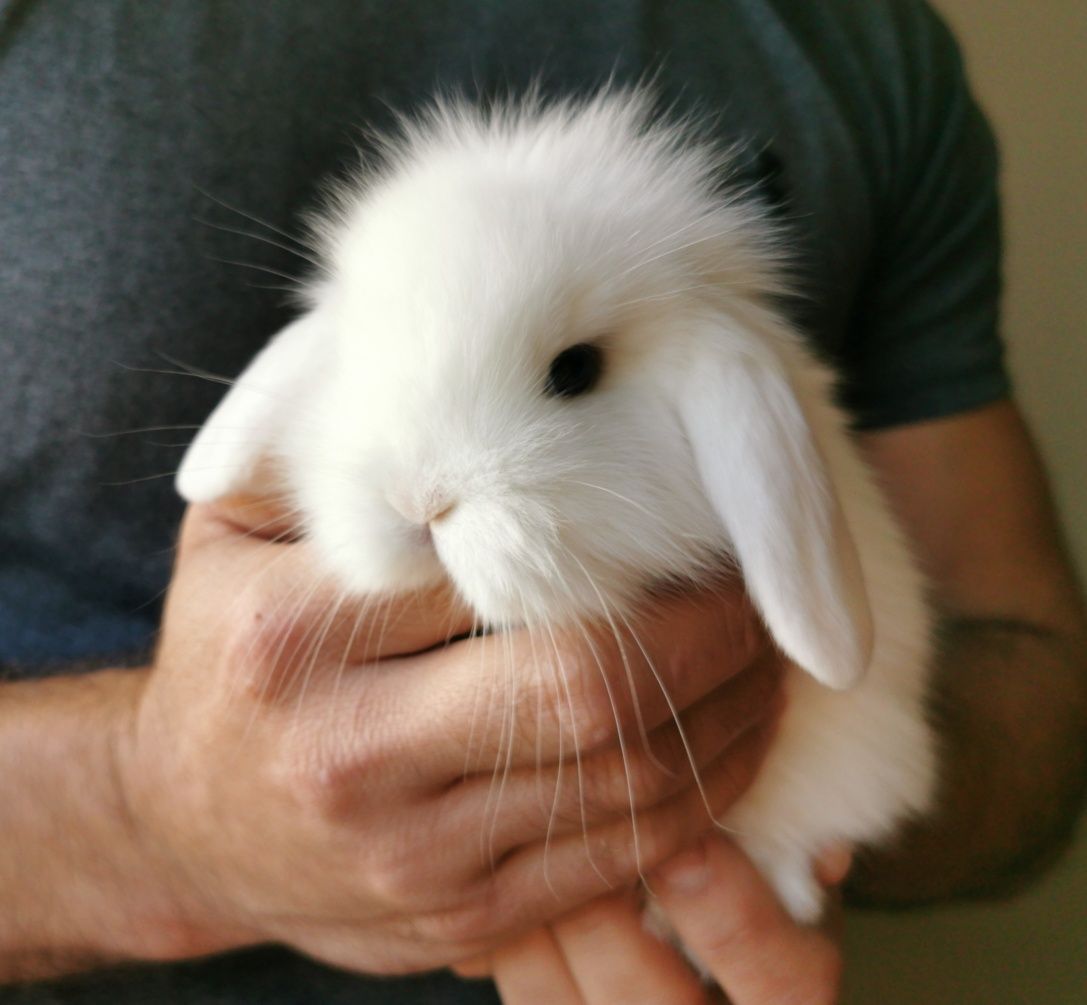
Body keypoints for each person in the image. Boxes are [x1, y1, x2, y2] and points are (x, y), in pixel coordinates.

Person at [1, 1, 1084, 1003]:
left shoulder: (866, 42)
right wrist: (148, 815)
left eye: (569, 374)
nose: (429, 496)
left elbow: (1017, 658)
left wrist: (752, 826)